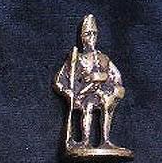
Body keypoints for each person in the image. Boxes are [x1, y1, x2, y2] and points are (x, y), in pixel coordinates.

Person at [54, 15, 126, 152]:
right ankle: (85, 141)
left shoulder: (104, 58)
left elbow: (116, 77)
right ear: (82, 37)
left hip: (103, 94)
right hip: (84, 95)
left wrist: (105, 80)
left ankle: (106, 141)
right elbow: (59, 80)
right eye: (88, 34)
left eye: (94, 33)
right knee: (89, 106)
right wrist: (67, 91)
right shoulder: (77, 59)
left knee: (107, 106)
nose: (92, 37)